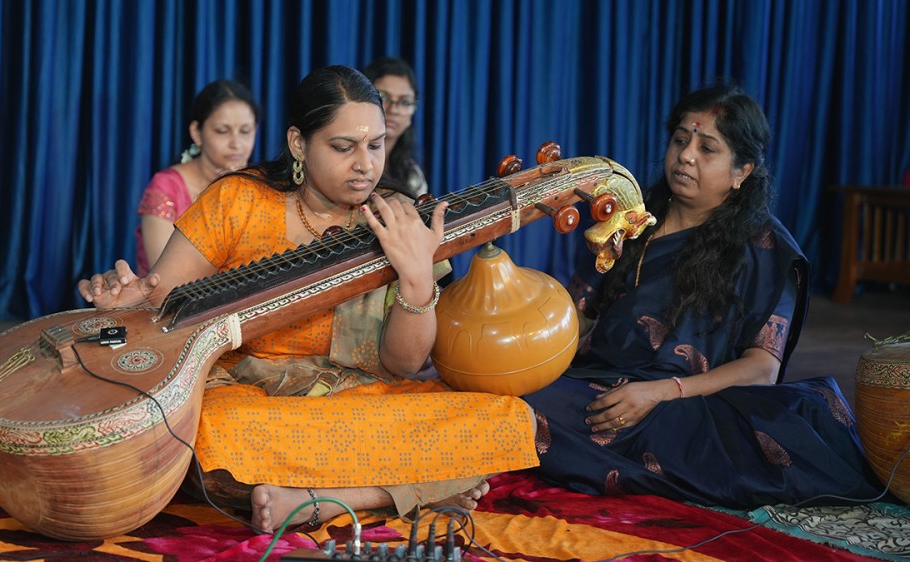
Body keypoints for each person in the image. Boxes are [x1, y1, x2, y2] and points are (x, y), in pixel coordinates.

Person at [79, 65, 537, 533]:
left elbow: (403, 364)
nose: (365, 164)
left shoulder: (397, 219)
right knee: (208, 429)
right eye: (343, 147)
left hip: (355, 401)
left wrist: (416, 277)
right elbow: (160, 304)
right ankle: (403, 490)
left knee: (497, 418)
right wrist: (130, 299)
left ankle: (330, 499)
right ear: (299, 143)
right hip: (250, 399)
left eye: (375, 146)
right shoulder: (237, 201)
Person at [524, 83, 882, 509]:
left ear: (741, 171)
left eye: (707, 148)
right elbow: (575, 319)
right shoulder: (631, 219)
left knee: (529, 417)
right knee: (513, 396)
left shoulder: (766, 250)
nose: (686, 155)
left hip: (684, 399)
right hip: (598, 381)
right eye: (680, 139)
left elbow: (762, 369)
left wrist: (661, 392)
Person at [134, 79, 260, 275]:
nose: (237, 144)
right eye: (222, 131)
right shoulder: (166, 187)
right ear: (197, 133)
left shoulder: (261, 184)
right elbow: (165, 280)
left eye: (245, 131)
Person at [363, 57, 428, 198]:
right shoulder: (345, 161)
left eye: (405, 102)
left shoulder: (413, 175)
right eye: (383, 97)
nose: (394, 109)